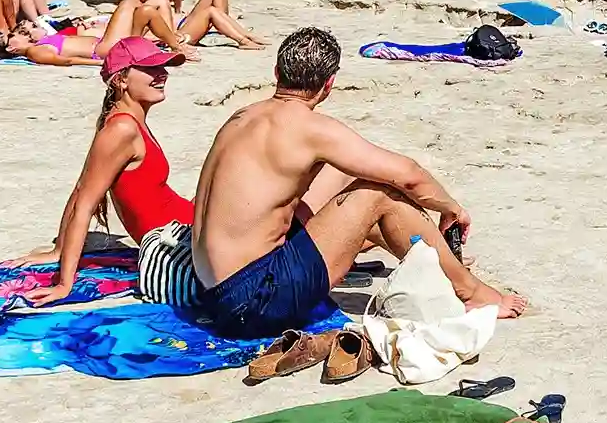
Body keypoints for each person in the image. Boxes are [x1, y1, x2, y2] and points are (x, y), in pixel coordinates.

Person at [189, 28, 525, 339]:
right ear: (329, 84)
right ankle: (473, 292)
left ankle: (431, 253)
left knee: (347, 175)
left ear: (277, 72)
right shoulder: (309, 128)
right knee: (379, 193)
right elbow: (408, 175)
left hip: (211, 290)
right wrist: (453, 208)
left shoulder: (243, 117)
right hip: (252, 304)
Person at [12, 38, 193, 305]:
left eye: (163, 67)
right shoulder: (122, 130)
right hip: (178, 241)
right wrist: (64, 283)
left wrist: (59, 249)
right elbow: (85, 202)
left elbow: (81, 187)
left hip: (186, 224)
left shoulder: (129, 123)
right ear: (121, 80)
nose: (162, 74)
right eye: (151, 69)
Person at [0, 0, 264, 63]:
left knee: (144, 10)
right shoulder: (37, 51)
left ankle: (246, 39)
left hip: (108, 44)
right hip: (105, 50)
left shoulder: (39, 43)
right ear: (12, 48)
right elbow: (71, 60)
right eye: (10, 37)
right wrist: (108, 63)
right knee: (131, 3)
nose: (15, 33)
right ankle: (176, 45)